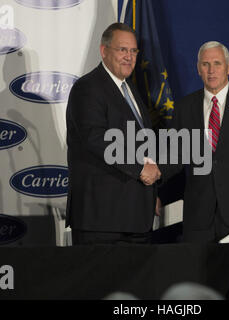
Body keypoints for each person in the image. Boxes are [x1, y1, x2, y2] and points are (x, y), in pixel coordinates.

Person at [142, 41, 229, 243]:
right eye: (205, 64)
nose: (211, 70)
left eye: (217, 63)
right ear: (198, 69)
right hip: (198, 219)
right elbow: (174, 157)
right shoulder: (184, 108)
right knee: (197, 274)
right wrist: (154, 180)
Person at [66, 23, 161, 245]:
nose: (129, 57)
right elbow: (96, 138)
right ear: (104, 51)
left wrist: (149, 193)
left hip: (134, 217)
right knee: (101, 281)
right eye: (122, 50)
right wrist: (140, 169)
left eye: (133, 51)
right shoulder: (88, 88)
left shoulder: (129, 89)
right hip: (102, 220)